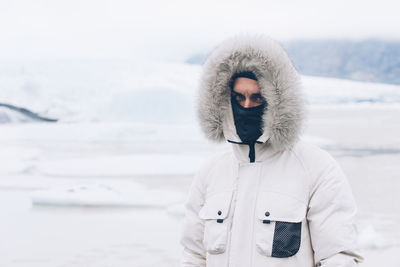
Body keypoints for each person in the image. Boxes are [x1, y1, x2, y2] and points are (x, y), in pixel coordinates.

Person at [180, 34, 364, 267]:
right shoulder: (211, 172)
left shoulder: (316, 168)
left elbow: (339, 256)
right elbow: (194, 256)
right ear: (224, 100)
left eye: (257, 98)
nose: (246, 107)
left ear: (277, 100)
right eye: (239, 97)